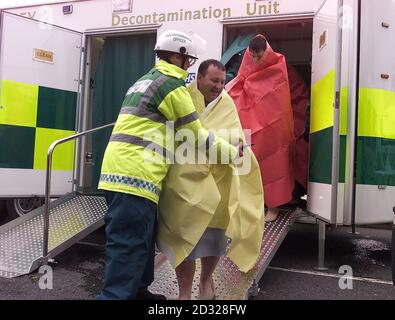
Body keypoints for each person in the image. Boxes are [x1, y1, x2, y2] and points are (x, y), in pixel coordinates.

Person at [96, 31, 242, 300]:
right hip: (135, 176)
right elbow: (195, 136)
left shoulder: (146, 80)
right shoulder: (172, 87)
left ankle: (140, 292)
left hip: (123, 172)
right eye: (187, 59)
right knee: (128, 246)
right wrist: (232, 153)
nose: (188, 65)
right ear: (176, 56)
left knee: (140, 243)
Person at [157, 59, 264, 300]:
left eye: (223, 82)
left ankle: (206, 282)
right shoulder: (183, 96)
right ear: (200, 77)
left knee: (212, 239)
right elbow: (172, 132)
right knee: (182, 239)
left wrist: (215, 143)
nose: (219, 86)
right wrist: (213, 143)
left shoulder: (227, 103)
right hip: (183, 185)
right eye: (214, 81)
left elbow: (236, 140)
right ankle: (184, 292)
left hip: (217, 185)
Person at [226, 34, 295, 223]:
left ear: (267, 52)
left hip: (274, 128)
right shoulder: (247, 64)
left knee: (274, 166)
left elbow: (276, 94)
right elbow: (239, 84)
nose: (256, 60)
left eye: (259, 56)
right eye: (253, 56)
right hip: (254, 127)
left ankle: (274, 207)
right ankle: (253, 206)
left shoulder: (278, 65)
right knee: (252, 165)